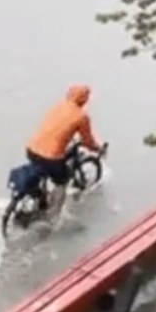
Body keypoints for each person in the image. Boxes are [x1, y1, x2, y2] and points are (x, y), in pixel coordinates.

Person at [25, 84, 103, 215]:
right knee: (62, 180)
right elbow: (87, 141)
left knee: (42, 172)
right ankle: (53, 215)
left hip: (31, 149)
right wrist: (97, 149)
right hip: (50, 158)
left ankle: (39, 199)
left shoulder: (57, 106)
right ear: (84, 100)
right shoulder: (82, 117)